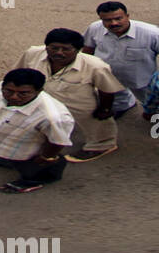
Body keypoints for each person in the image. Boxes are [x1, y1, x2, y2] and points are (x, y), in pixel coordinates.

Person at [21, 29, 125, 160]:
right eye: (54, 48)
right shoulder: (32, 53)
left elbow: (107, 89)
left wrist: (105, 109)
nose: (59, 52)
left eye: (66, 49)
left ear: (78, 50)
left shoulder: (96, 66)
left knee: (94, 121)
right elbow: (20, 72)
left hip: (78, 100)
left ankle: (101, 145)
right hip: (42, 95)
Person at [0, 66, 75, 193]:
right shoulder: (0, 88)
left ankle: (33, 181)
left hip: (28, 150)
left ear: (39, 91)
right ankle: (5, 159)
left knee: (34, 168)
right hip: (9, 139)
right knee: (8, 152)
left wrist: (45, 158)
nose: (14, 97)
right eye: (8, 91)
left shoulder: (54, 116)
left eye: (23, 93)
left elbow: (58, 141)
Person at [85, 2, 159, 124]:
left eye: (118, 18)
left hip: (141, 80)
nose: (114, 23)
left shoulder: (152, 33)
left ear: (127, 16)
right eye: (107, 20)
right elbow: (88, 49)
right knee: (117, 99)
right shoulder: (94, 28)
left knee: (152, 102)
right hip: (108, 77)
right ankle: (124, 106)